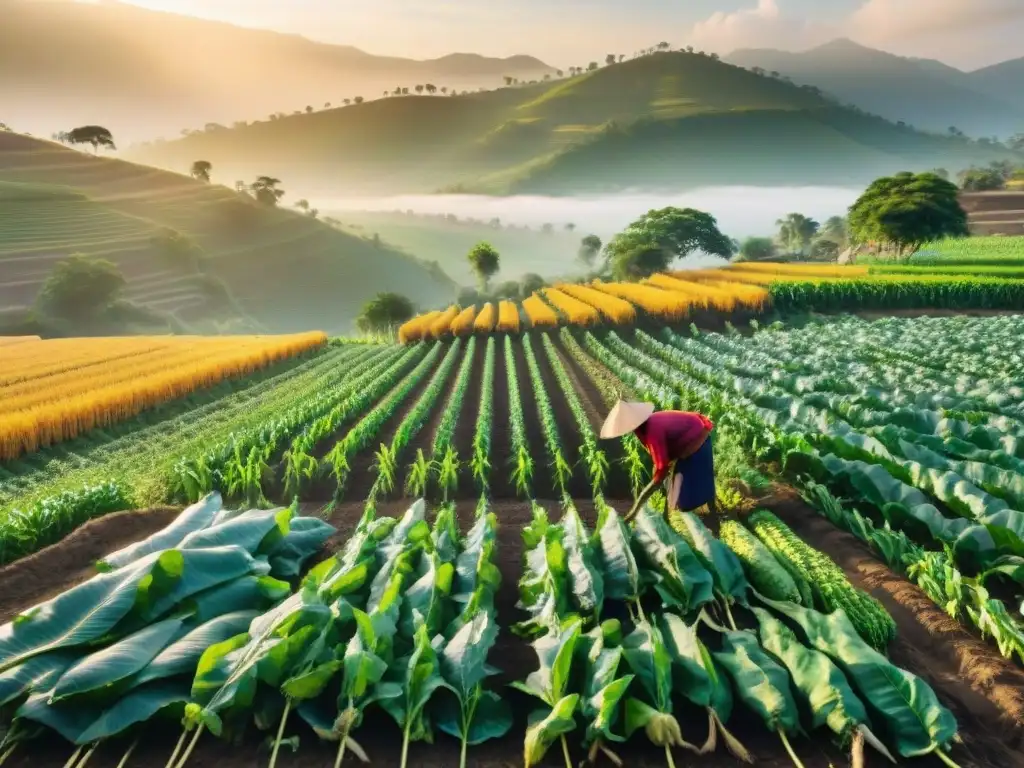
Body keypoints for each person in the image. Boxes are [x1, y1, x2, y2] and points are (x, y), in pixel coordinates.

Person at [600, 400, 718, 527]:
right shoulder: (644, 427)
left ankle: (711, 518)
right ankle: (672, 514)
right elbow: (661, 460)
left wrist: (634, 511)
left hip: (696, 436)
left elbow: (662, 468)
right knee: (676, 486)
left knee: (688, 498)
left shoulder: (652, 430)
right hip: (687, 435)